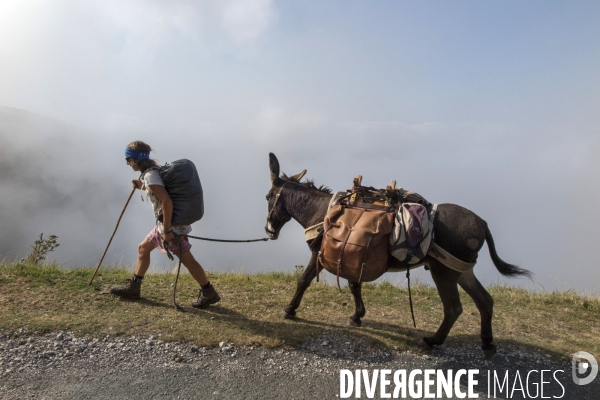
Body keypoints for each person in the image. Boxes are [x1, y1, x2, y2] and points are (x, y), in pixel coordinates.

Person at [110, 140, 220, 308]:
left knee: (187, 259)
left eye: (128, 159)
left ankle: (208, 291)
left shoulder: (150, 175)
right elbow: (160, 191)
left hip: (170, 226)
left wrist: (168, 231)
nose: (127, 163)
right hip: (168, 223)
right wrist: (142, 187)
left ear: (135, 159)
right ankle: (134, 287)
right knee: (143, 248)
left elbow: (166, 201)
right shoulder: (153, 171)